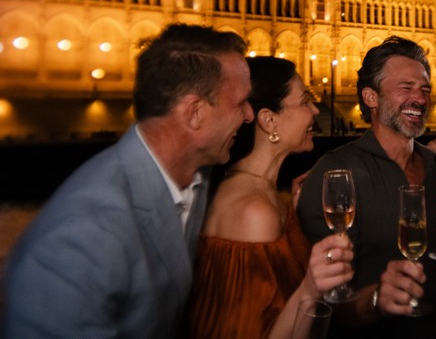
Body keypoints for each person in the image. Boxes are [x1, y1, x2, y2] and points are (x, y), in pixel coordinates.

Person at [1, 23, 254, 337]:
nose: (249, 115)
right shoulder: (79, 240)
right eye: (240, 102)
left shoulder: (195, 175)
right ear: (194, 113)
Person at [188, 56, 354, 337]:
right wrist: (310, 288)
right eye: (305, 101)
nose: (315, 110)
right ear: (268, 120)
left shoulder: (260, 191)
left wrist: (292, 215)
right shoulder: (254, 211)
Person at [296, 36, 436, 338]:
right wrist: (377, 298)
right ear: (371, 97)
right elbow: (324, 297)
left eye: (425, 89)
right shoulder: (336, 170)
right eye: (406, 87)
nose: (419, 99)